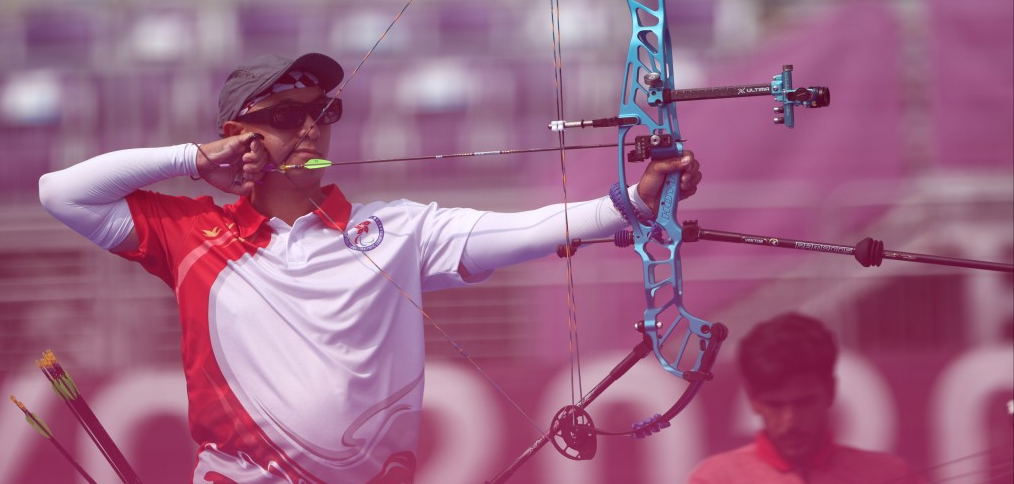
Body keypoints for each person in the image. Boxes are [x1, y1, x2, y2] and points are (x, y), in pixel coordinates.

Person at [39, 52, 702, 484]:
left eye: (324, 114)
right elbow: (60, 193)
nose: (310, 130)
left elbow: (522, 231)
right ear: (237, 132)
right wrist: (192, 159)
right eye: (285, 116)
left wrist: (633, 203)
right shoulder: (190, 234)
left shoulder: (395, 230)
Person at [687, 312, 923, 484]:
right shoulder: (715, 478)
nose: (790, 421)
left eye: (804, 402)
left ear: (830, 391)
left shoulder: (892, 475)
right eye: (775, 404)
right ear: (753, 400)